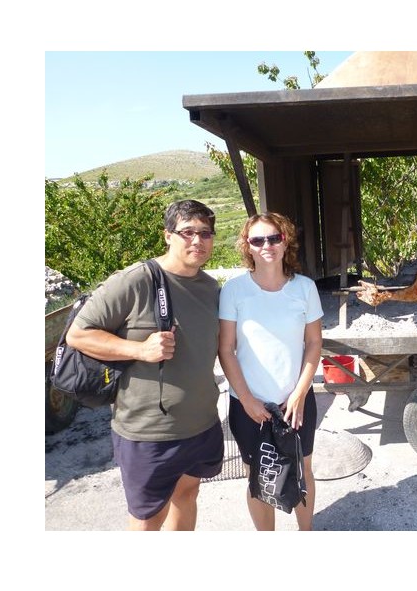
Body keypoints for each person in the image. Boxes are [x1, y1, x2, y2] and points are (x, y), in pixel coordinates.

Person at [66, 199, 224, 531]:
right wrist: (139, 350)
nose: (197, 240)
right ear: (167, 235)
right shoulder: (137, 280)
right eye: (187, 232)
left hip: (201, 423)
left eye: (205, 233)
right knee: (148, 516)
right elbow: (78, 335)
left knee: (187, 495)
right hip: (148, 431)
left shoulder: (211, 288)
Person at [218, 212, 323, 531]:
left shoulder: (304, 288)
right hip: (249, 405)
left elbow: (314, 343)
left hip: (296, 402)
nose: (267, 245)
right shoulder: (233, 290)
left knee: (302, 467)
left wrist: (300, 394)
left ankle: (306, 534)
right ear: (247, 246)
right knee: (258, 473)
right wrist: (248, 400)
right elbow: (226, 349)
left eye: (274, 238)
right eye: (258, 240)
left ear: (285, 241)